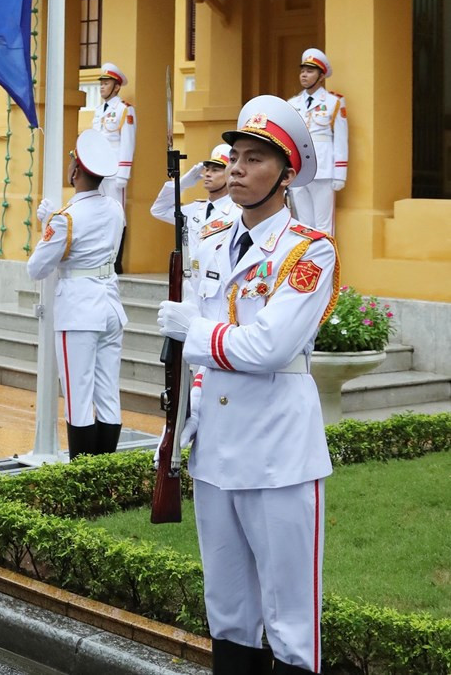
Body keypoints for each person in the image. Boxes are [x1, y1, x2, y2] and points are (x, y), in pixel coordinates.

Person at [157, 95, 339, 675]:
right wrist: (180, 422)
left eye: (254, 159)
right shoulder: (211, 239)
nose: (236, 168)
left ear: (286, 175)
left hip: (277, 453)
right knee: (229, 613)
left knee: (291, 624)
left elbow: (268, 347)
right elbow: (197, 359)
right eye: (234, 156)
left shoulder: (308, 251)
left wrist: (194, 330)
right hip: (215, 449)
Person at [28, 128, 127, 459]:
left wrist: (48, 224)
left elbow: (36, 268)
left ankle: (82, 474)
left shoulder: (65, 219)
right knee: (108, 395)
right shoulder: (115, 208)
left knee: (78, 397)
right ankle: (104, 472)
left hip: (79, 310)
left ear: (75, 172)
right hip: (110, 306)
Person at [150, 143, 239, 302]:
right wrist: (182, 184)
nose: (208, 174)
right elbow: (158, 210)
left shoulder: (237, 212)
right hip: (191, 288)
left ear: (230, 174)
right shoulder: (195, 209)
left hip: (220, 291)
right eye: (207, 169)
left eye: (216, 170)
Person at [287, 47, 348, 235]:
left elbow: (341, 139)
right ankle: (306, 255)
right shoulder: (292, 104)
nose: (304, 75)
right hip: (299, 170)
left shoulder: (333, 102)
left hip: (323, 170)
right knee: (303, 224)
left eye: (310, 71)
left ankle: (325, 255)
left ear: (321, 76)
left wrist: (340, 174)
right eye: (302, 71)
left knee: (324, 226)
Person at [91, 60, 136, 273]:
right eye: (101, 83)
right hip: (97, 171)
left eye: (106, 83)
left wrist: (123, 174)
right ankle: (101, 257)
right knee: (98, 213)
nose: (102, 86)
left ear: (117, 87)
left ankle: (116, 261)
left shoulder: (124, 110)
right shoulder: (98, 111)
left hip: (114, 172)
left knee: (117, 215)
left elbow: (128, 142)